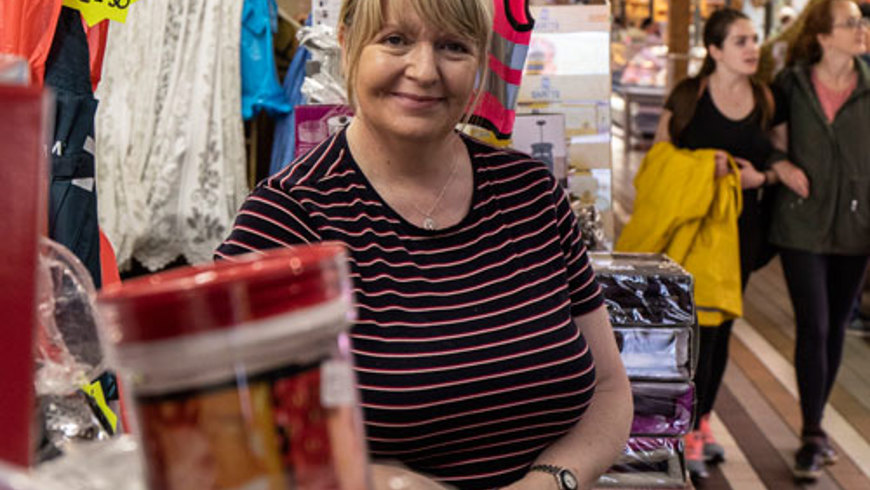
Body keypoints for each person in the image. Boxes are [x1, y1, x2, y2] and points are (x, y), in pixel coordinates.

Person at [217, 0, 633, 489]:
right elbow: (237, 437)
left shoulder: (532, 194)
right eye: (395, 40)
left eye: (452, 47)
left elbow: (609, 388)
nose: (425, 70)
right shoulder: (286, 222)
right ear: (348, 43)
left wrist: (551, 480)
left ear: (479, 61)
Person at [651, 8, 777, 481]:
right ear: (715, 49)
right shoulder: (689, 96)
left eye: (754, 40)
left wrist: (760, 176)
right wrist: (708, 169)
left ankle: (700, 423)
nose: (752, 49)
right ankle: (679, 424)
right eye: (741, 41)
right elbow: (659, 159)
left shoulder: (765, 98)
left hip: (743, 235)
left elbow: (779, 157)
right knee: (691, 334)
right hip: (692, 235)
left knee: (722, 333)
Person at [768, 0, 870, 480]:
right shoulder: (790, 86)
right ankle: (812, 431)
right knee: (815, 323)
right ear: (824, 36)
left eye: (861, 21)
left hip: (857, 228)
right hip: (801, 225)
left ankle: (818, 424)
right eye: (850, 23)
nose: (861, 28)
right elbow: (765, 139)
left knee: (833, 329)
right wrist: (779, 164)